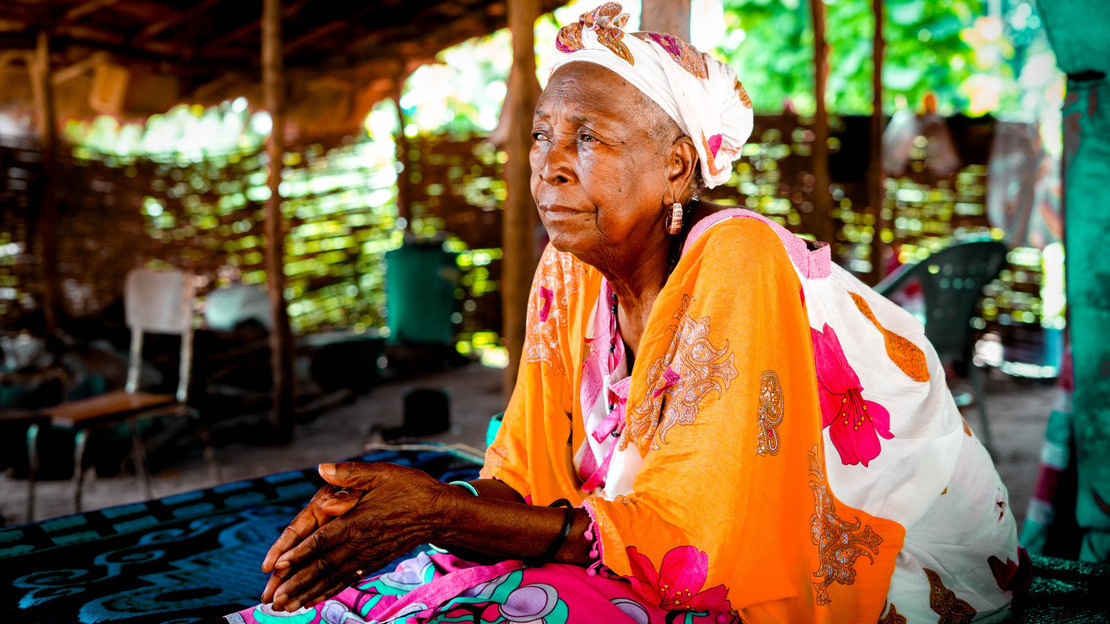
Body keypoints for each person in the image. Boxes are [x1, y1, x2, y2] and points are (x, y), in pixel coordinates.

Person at [227, 4, 1026, 623]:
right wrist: (413, 515)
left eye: (588, 137)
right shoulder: (569, 271)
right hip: (675, 543)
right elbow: (525, 481)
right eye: (542, 134)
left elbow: (697, 549)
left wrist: (441, 513)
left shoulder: (738, 256)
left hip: (900, 561)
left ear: (677, 168)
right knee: (419, 582)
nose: (550, 164)